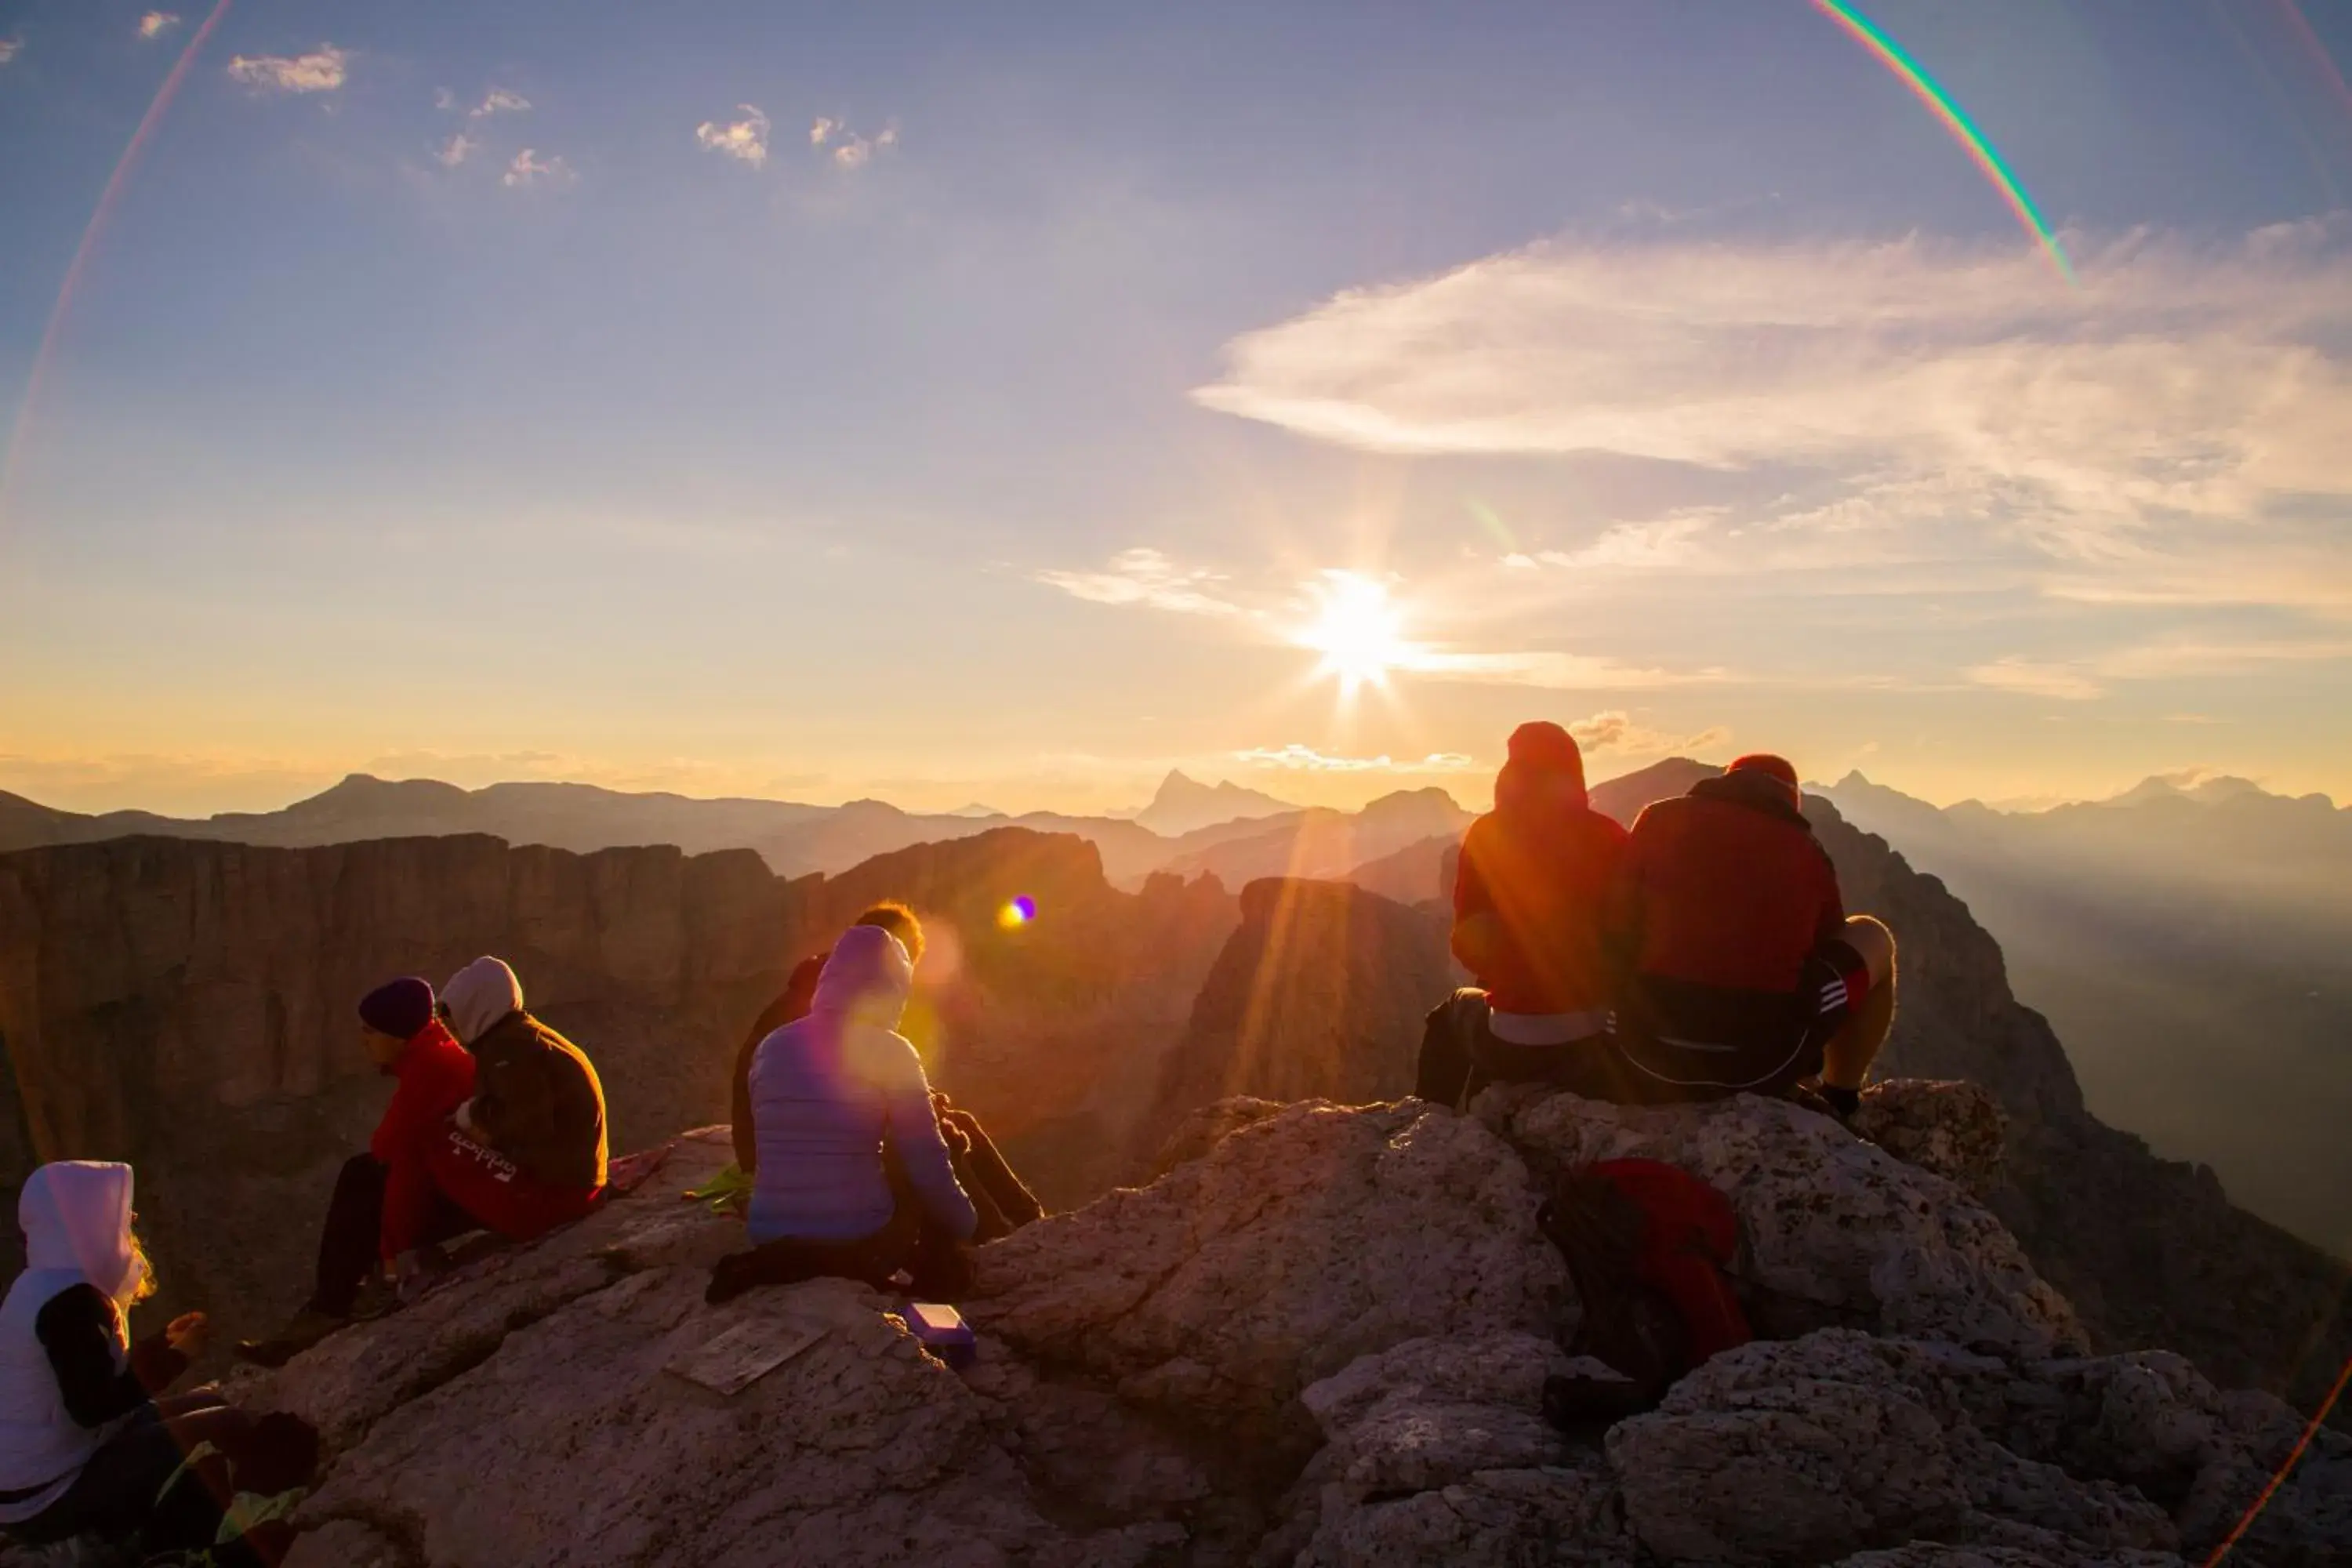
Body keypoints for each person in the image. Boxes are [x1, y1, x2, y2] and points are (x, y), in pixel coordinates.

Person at [2, 1162, 318, 1564]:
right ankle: (234, 1537)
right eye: (113, 1207)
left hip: (41, 1477)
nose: (130, 1217)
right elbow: (92, 1407)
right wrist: (176, 1357)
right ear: (80, 1219)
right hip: (47, 1498)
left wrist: (163, 1344)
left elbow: (92, 1374)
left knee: (216, 1406)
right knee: (224, 1426)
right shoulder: (67, 1304)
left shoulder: (41, 1286)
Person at [1605, 754, 1897, 1115]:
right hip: (1761, 1068)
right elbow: (1824, 944)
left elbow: (1618, 920)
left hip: (1644, 1052)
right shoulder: (1807, 851)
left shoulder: (1656, 819)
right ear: (1790, 800)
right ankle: (1840, 1095)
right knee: (1873, 936)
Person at [707, 924, 984, 1304]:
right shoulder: (893, 1051)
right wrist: (968, 1224)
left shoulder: (773, 1045)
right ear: (894, 988)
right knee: (923, 1148)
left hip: (768, 1232)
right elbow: (927, 1160)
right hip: (858, 1240)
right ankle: (941, 1264)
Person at [725, 903, 1040, 1232]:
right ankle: (993, 1232)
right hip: (786, 1166)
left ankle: (1024, 1219)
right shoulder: (821, 1007)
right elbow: (836, 1098)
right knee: (940, 1139)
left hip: (769, 1179)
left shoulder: (816, 996)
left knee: (952, 1123)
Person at [238, 977, 479, 1367]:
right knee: (366, 1176)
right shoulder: (438, 1052)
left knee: (363, 1178)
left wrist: (390, 1256)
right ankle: (334, 1302)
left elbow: (389, 1153)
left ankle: (330, 1309)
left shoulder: (429, 1071)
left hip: (484, 1195)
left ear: (399, 1037)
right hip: (477, 1183)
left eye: (370, 1031)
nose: (362, 1040)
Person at [1416, 721, 1630, 1110]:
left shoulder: (1488, 834)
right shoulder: (1610, 835)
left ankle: (1432, 1121)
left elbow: (1468, 944)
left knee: (1449, 1016)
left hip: (1514, 1040)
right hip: (1596, 1038)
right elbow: (1630, 931)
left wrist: (1513, 970)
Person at [429, 956, 610, 1241]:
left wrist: (473, 1117)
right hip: (576, 1185)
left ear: (476, 1009)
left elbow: (529, 1123)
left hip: (559, 1197)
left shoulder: (510, 1049)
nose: (451, 1034)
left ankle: (408, 1247)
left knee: (434, 1142)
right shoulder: (523, 1035)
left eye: (453, 1022)